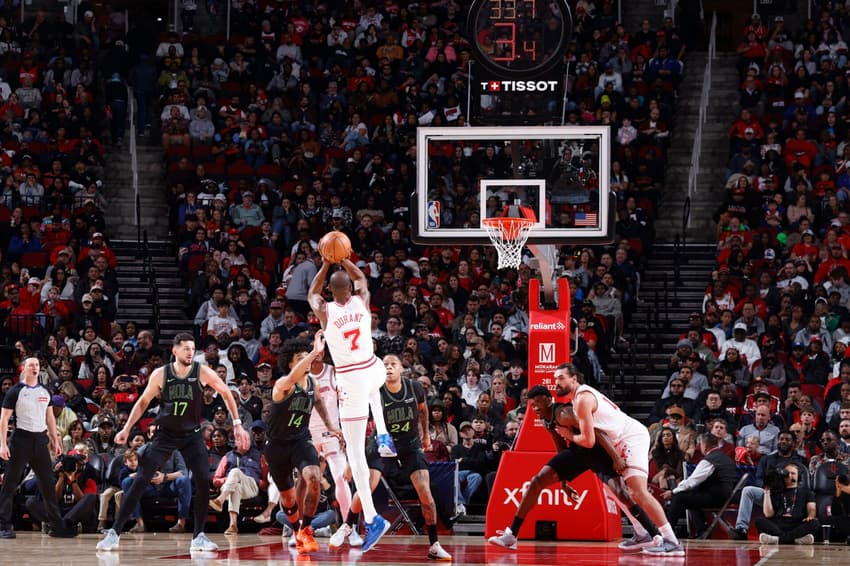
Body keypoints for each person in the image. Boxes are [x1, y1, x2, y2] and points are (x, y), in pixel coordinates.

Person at [97, 333, 251, 552]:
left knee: (203, 479)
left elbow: (226, 392)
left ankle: (199, 536)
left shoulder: (202, 372)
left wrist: (236, 422)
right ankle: (114, 533)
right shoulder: (161, 374)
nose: (190, 352)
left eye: (193, 349)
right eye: (186, 348)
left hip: (192, 435)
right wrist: (126, 428)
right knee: (141, 479)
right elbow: (142, 403)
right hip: (165, 434)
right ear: (175, 351)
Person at [488, 384, 661, 552]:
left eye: (538, 403)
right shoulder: (547, 421)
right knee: (537, 481)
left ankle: (655, 535)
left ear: (549, 400)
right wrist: (563, 481)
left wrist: (615, 458)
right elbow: (561, 449)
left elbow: (596, 431)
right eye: (532, 405)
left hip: (597, 452)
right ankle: (511, 535)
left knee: (622, 494)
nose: (535, 408)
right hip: (577, 453)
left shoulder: (564, 413)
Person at [308, 257, 397, 551]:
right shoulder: (362, 301)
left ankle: (372, 519)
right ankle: (383, 432)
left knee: (356, 456)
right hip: (375, 368)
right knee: (375, 388)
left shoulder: (326, 310)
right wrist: (345, 259)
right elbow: (363, 280)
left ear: (332, 292)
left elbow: (311, 293)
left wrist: (324, 264)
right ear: (350, 289)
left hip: (352, 381)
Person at [552, 363, 684, 556]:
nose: (557, 382)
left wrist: (568, 435)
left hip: (630, 437)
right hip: (618, 441)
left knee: (637, 491)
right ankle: (641, 534)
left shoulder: (582, 399)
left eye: (561, 378)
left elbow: (588, 441)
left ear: (574, 379)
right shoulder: (578, 399)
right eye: (555, 378)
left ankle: (671, 541)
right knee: (616, 490)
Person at [329, 354, 452, 560]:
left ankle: (434, 545)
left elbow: (423, 410)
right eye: (384, 364)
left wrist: (425, 436)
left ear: (401, 368)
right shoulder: (374, 391)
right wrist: (354, 460)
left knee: (426, 495)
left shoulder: (414, 387)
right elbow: (359, 424)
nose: (388, 367)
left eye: (393, 364)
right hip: (382, 443)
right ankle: (347, 526)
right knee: (367, 487)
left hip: (410, 444)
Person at [265, 333, 341, 554]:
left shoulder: (313, 383)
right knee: (288, 501)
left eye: (305, 357)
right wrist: (314, 353)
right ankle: (297, 529)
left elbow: (317, 401)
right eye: (299, 358)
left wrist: (331, 426)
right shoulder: (282, 385)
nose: (305, 361)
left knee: (314, 477)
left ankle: (306, 529)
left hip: (300, 439)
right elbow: (293, 376)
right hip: (277, 446)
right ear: (290, 363)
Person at [0, 357, 76, 538]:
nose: (35, 367)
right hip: (21, 440)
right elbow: (3, 420)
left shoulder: (45, 390)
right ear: (23, 369)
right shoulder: (15, 391)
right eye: (31, 365)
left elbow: (49, 418)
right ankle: (3, 525)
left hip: (40, 440)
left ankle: (57, 526)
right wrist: (2, 444)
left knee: (48, 484)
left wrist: (55, 441)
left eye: (37, 364)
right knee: (10, 483)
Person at [660, 433, 736, 537]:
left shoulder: (709, 460)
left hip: (716, 497)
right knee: (691, 496)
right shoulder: (726, 458)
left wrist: (673, 492)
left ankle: (667, 534)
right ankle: (701, 530)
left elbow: (692, 481)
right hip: (726, 495)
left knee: (679, 497)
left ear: (704, 445)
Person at [307, 349, 351, 521]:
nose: (317, 352)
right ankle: (301, 528)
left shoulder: (333, 372)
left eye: (321, 349)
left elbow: (346, 402)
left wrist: (345, 431)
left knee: (341, 478)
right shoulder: (300, 375)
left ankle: (350, 525)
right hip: (307, 434)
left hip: (331, 432)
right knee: (305, 481)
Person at [756, 463, 819, 544]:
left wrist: (810, 516)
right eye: (787, 473)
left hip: (797, 523)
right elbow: (768, 514)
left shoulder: (806, 492)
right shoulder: (776, 491)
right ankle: (795, 540)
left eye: (793, 473)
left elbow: (812, 508)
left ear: (798, 476)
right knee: (759, 521)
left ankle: (777, 539)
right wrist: (767, 492)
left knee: (815, 523)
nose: (790, 475)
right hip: (779, 524)